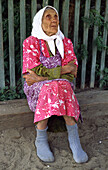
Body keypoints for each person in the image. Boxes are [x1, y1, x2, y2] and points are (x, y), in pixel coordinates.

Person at [22, 6, 88, 163]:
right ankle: (41, 138)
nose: (53, 20)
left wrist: (40, 77)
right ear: (40, 21)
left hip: (60, 85)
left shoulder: (65, 42)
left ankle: (74, 140)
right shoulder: (31, 42)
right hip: (36, 88)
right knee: (53, 85)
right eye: (48, 17)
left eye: (56, 17)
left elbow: (71, 73)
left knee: (60, 85)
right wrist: (62, 70)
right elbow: (32, 71)